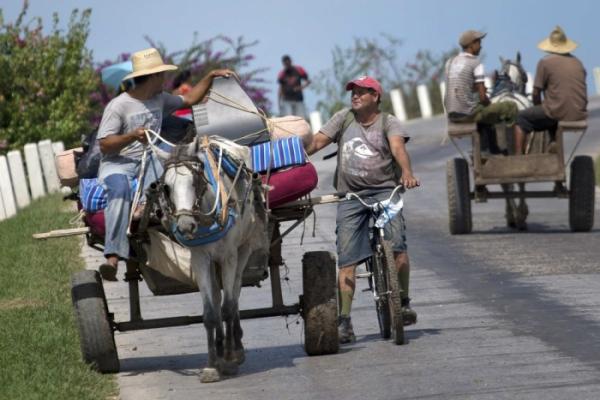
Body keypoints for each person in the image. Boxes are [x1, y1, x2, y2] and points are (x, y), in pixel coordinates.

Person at [96, 47, 234, 281]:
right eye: (161, 75)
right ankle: (112, 256)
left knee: (181, 169)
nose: (165, 79)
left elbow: (190, 99)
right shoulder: (118, 106)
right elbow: (104, 145)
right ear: (151, 77)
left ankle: (178, 216)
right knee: (119, 191)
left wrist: (210, 76)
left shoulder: (159, 99)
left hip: (149, 160)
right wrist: (131, 136)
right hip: (118, 164)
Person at [306, 76, 419, 343]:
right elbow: (317, 143)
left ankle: (402, 302)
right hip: (351, 196)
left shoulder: (388, 122)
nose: (355, 96)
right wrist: (290, 158)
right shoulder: (343, 118)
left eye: (361, 92)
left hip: (386, 193)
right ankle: (344, 320)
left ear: (376, 97)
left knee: (399, 249)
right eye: (353, 92)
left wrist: (407, 173)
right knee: (347, 260)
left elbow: (397, 148)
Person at [513, 26, 587, 154]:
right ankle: (553, 142)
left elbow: (536, 93)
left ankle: (518, 159)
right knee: (551, 109)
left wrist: (538, 106)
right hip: (579, 112)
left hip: (557, 112)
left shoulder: (545, 62)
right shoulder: (578, 62)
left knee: (522, 117)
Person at [444, 30, 518, 154]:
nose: (481, 46)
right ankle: (514, 148)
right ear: (472, 45)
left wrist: (476, 91)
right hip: (467, 114)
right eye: (479, 42)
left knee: (484, 113)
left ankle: (489, 148)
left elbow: (458, 85)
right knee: (510, 107)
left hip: (452, 113)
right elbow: (483, 98)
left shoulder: (450, 62)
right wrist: (489, 104)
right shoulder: (476, 63)